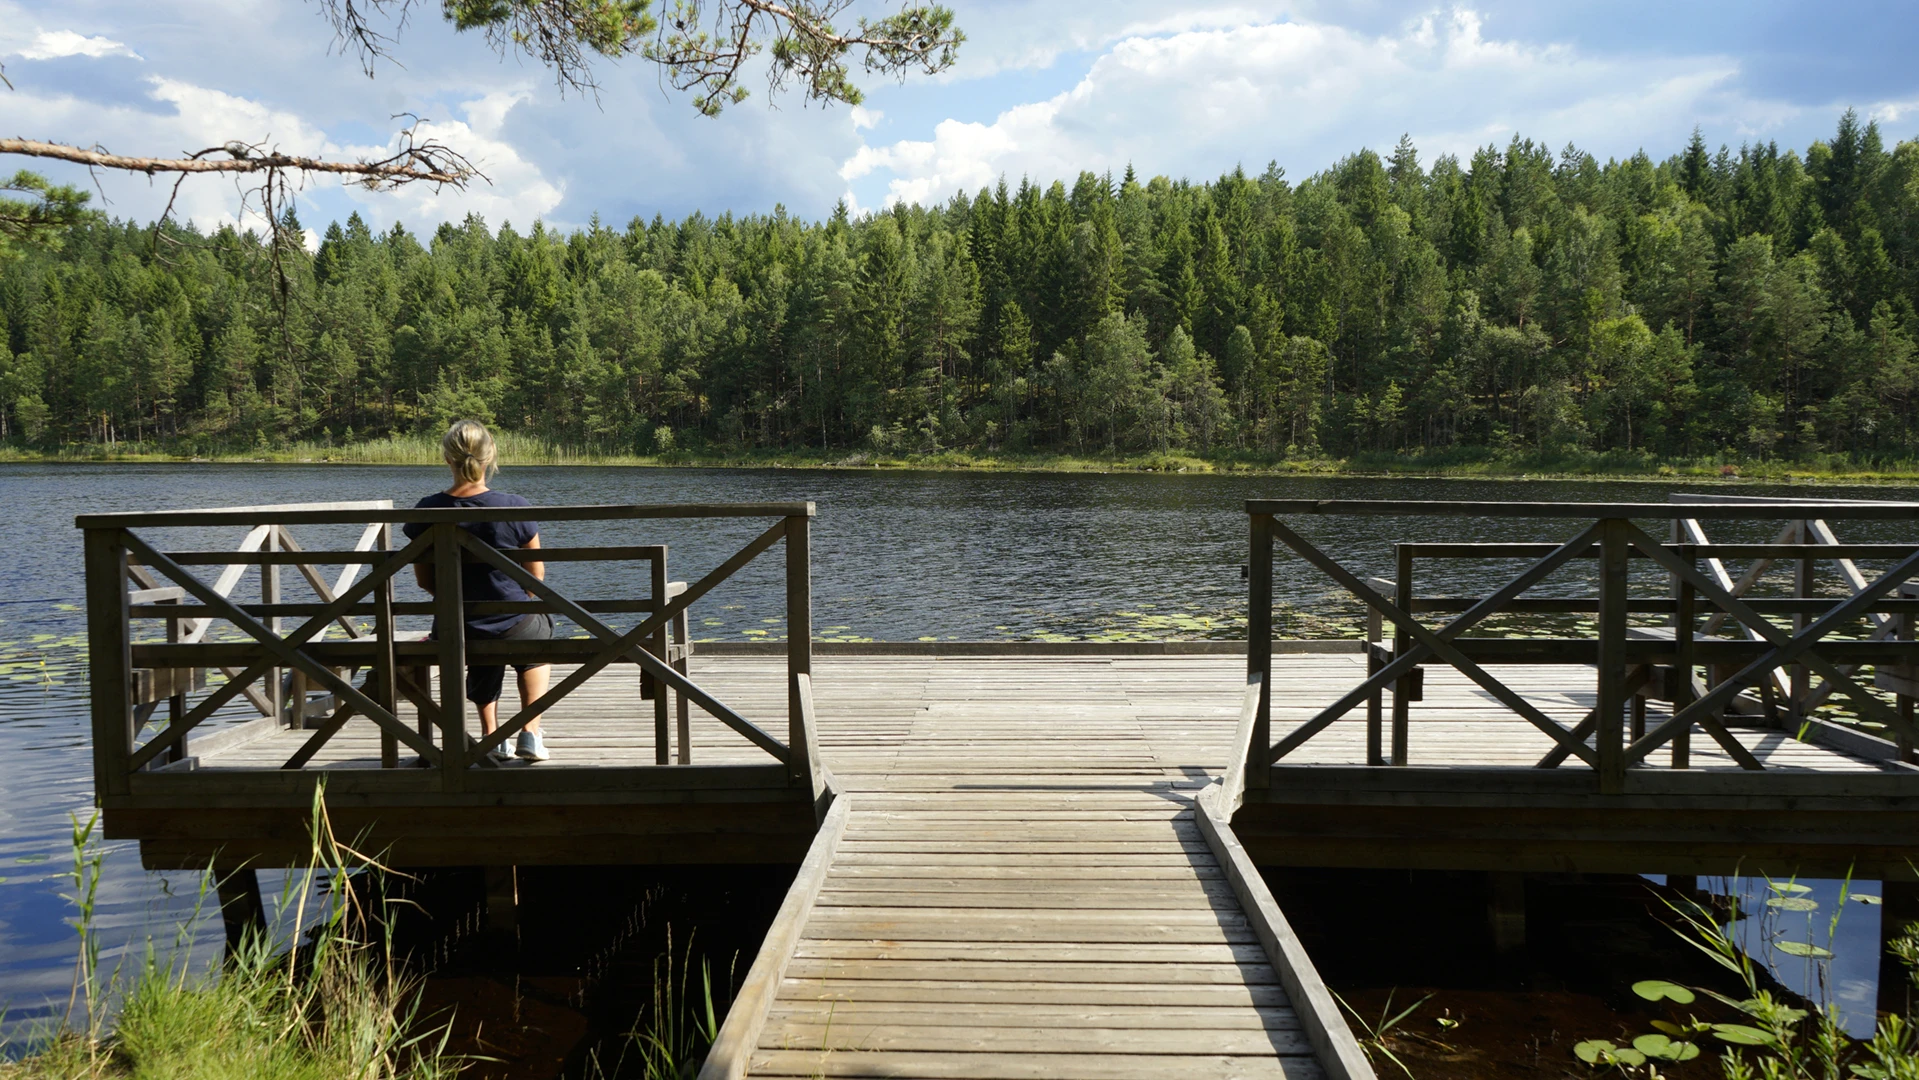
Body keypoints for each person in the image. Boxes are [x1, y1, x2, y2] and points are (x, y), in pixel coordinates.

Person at [404, 419, 553, 762]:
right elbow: (536, 575)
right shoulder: (515, 506)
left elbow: (425, 582)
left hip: (454, 626)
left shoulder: (426, 509)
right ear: (490, 458)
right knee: (536, 636)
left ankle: (492, 736)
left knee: (476, 631)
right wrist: (516, 603)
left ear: (447, 459)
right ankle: (529, 733)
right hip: (513, 624)